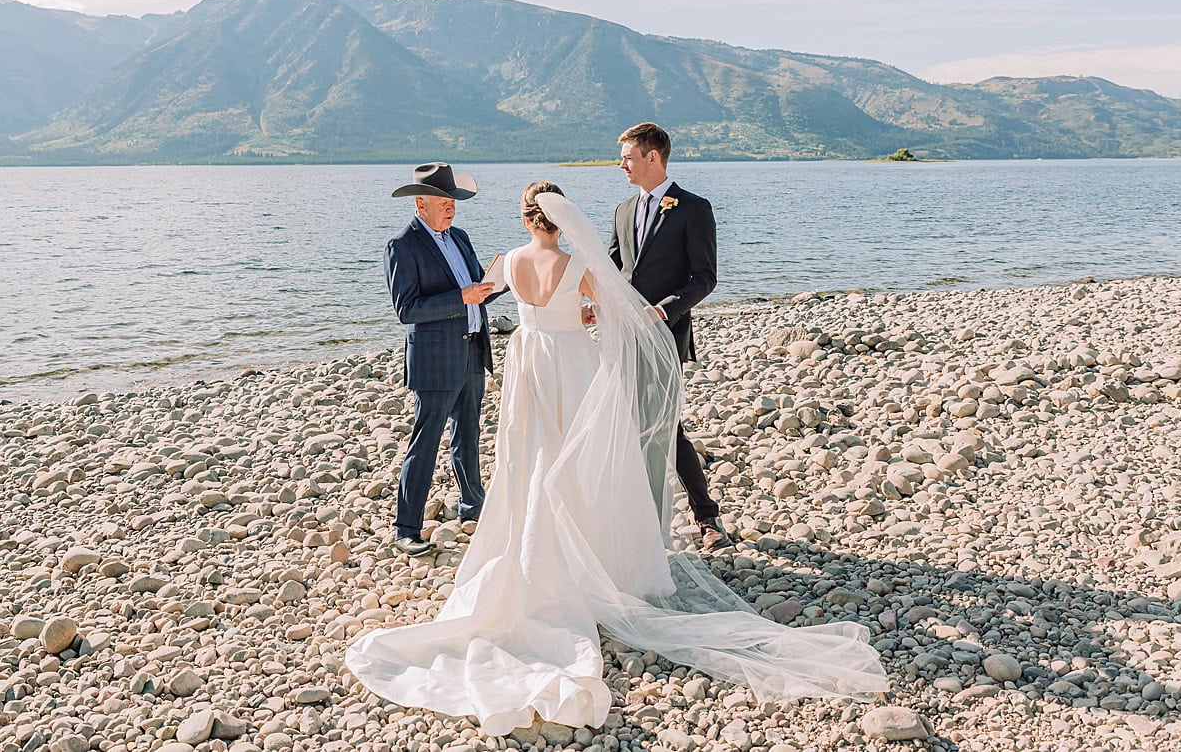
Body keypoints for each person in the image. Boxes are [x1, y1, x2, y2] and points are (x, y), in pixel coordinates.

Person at [346, 182, 887, 735]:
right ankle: (597, 553)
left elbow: (485, 296)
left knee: (529, 456)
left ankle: (530, 551)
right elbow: (612, 316)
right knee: (578, 458)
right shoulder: (581, 262)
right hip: (573, 366)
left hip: (527, 365)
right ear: (563, 220)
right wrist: (583, 318)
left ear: (525, 218)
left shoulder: (504, 260)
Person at [605, 121, 731, 550]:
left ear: (651, 157)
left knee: (666, 426)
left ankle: (707, 518)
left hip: (664, 335)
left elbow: (705, 277)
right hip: (622, 336)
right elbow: (612, 270)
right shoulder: (624, 210)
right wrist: (593, 305)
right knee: (624, 422)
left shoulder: (694, 208)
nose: (620, 164)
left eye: (626, 157)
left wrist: (663, 310)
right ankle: (633, 517)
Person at [383, 162, 502, 557]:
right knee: (426, 441)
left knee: (468, 436)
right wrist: (461, 299)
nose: (451, 206)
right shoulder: (402, 245)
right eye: (442, 200)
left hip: (471, 349)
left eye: (452, 199)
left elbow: (472, 291)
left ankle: (473, 507)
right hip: (434, 360)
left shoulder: (461, 237)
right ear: (421, 203)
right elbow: (407, 310)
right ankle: (406, 528)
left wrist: (493, 287)